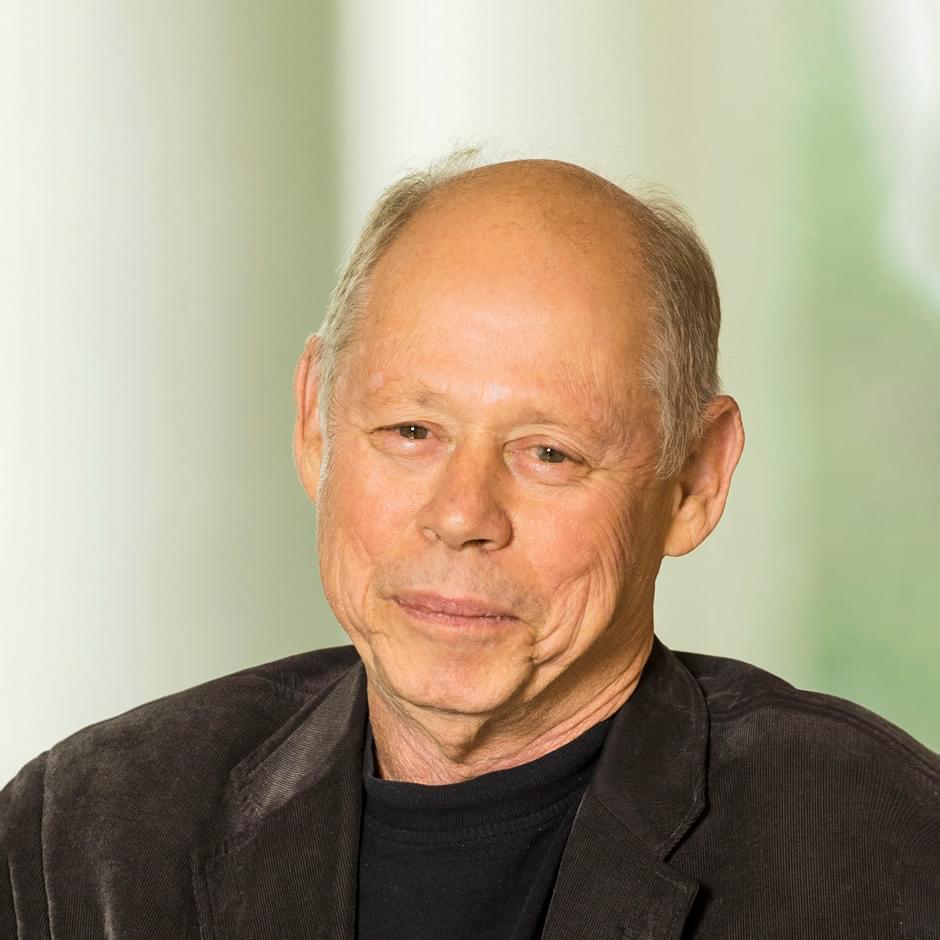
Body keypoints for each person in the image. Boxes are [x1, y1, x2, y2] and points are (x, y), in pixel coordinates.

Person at [2, 156, 938, 939]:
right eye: (411, 431)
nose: (461, 515)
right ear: (316, 424)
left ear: (694, 480)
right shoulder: (83, 834)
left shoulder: (884, 850)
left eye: (549, 452)